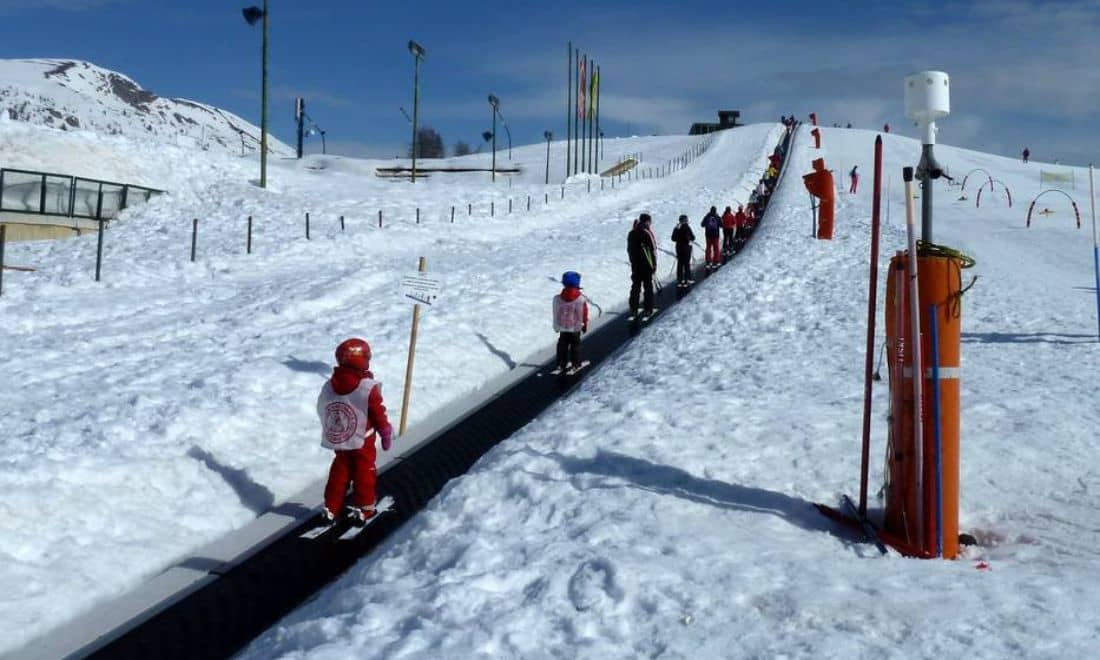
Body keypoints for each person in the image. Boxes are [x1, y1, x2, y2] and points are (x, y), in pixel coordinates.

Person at [317, 338, 394, 525]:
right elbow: (377, 411)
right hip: (363, 439)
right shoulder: (366, 386)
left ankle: (331, 507)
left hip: (342, 437)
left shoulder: (330, 385)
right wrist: (385, 431)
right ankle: (365, 507)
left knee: (340, 470)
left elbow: (322, 406)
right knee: (364, 472)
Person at [552, 271, 589, 373]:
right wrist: (584, 324)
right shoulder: (580, 298)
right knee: (575, 346)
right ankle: (575, 364)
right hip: (575, 328)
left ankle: (561, 364)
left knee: (562, 345)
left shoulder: (559, 298)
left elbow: (557, 312)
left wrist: (557, 324)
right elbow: (584, 313)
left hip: (563, 327)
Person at [627, 213, 657, 320]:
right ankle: (648, 309)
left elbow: (629, 250)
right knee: (648, 287)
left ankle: (633, 309)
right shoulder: (646, 233)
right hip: (647, 265)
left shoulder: (631, 233)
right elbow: (653, 250)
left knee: (635, 286)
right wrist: (654, 265)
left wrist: (633, 262)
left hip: (636, 265)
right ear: (647, 221)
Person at [671, 214, 695, 287]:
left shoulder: (677, 228)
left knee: (680, 264)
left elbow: (673, 238)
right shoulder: (687, 227)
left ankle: (680, 280)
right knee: (686, 264)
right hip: (686, 247)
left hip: (679, 248)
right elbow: (693, 237)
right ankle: (688, 279)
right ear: (685, 220)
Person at [700, 206, 722, 270]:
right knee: (716, 248)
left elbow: (702, 225)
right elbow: (721, 225)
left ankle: (708, 262)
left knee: (708, 248)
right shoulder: (717, 217)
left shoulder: (707, 217)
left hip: (708, 235)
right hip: (715, 235)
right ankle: (716, 261)